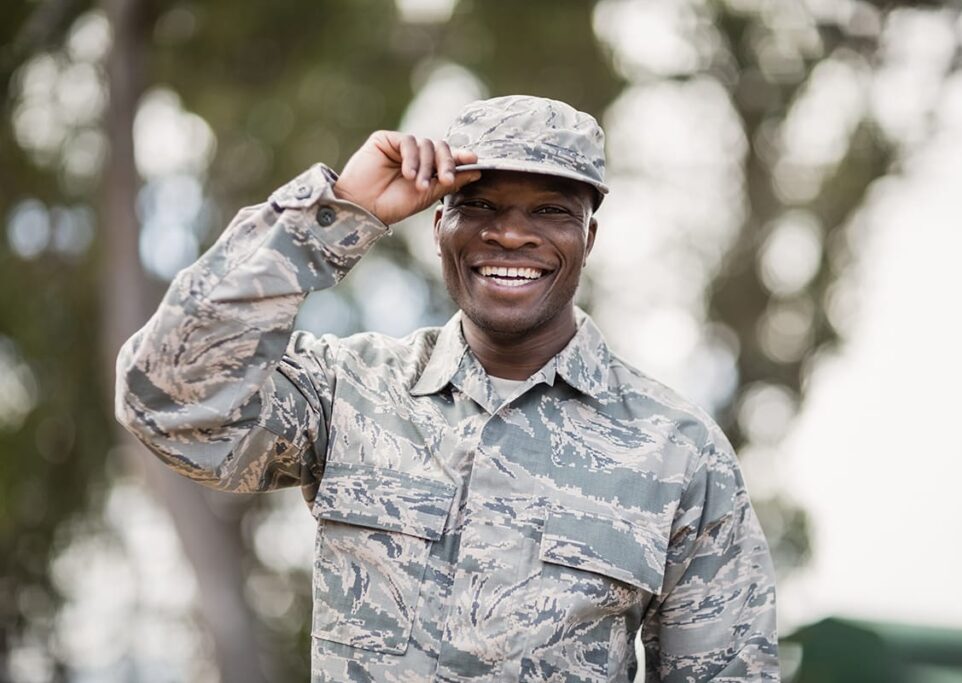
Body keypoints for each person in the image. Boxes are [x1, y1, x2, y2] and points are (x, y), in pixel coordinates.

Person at [115, 95, 778, 682]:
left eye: (548, 210)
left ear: (588, 238)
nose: (511, 233)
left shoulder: (678, 453)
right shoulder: (349, 391)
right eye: (479, 205)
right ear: (438, 226)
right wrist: (333, 211)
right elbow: (167, 403)